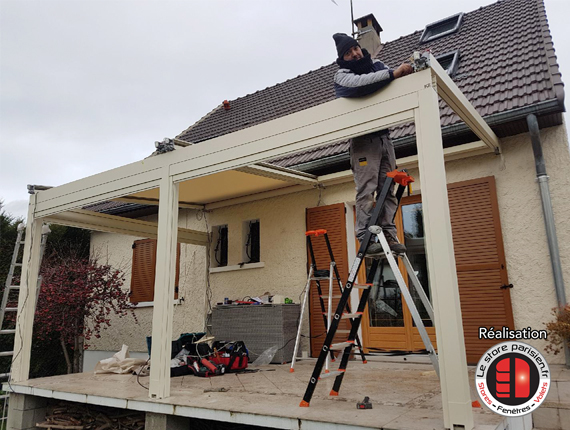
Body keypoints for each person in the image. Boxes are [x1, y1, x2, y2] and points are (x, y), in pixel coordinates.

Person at [332, 33, 413, 255]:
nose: (354, 54)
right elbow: (361, 85)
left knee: (388, 188)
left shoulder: (377, 65)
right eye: (348, 53)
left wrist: (407, 72)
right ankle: (365, 237)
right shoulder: (343, 75)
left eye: (355, 48)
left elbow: (393, 81)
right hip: (363, 139)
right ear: (343, 58)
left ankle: (387, 232)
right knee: (367, 189)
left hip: (384, 137)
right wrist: (392, 74)